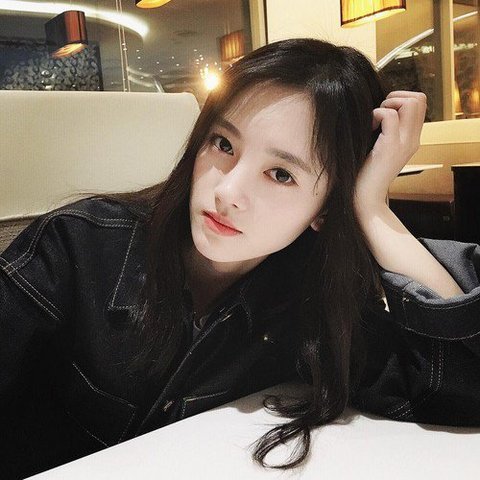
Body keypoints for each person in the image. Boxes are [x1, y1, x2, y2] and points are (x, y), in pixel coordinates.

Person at [1, 38, 479, 478]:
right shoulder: (76, 247)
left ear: (326, 208)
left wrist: (373, 208)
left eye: (281, 174)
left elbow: (463, 385)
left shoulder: (309, 303)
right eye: (224, 144)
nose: (228, 191)